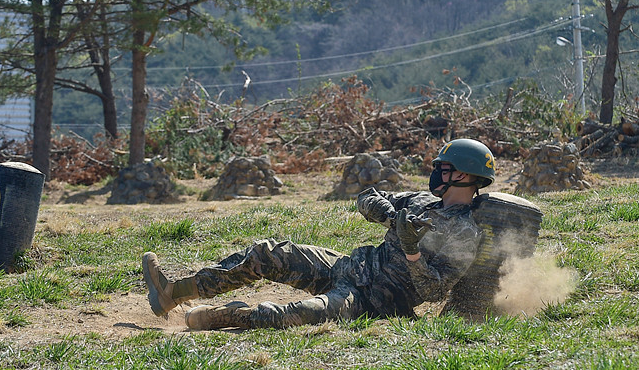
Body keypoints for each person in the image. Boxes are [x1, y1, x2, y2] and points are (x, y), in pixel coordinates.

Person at [142, 138, 496, 330]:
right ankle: (173, 293)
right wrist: (389, 215)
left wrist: (412, 251)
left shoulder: (465, 233)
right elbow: (366, 197)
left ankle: (218, 316)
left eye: (444, 168)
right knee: (268, 253)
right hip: (347, 267)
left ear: (465, 175)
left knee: (283, 317)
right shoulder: (419, 200)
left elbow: (434, 290)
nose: (437, 172)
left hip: (372, 303)